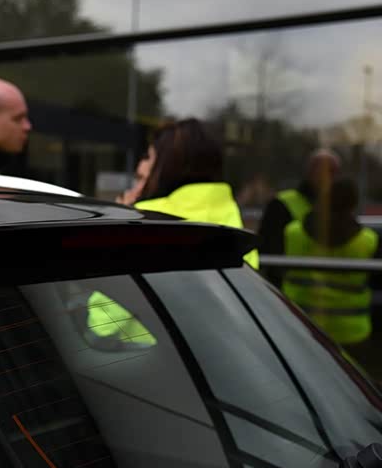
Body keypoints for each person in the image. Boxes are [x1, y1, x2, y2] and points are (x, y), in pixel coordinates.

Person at [133, 118, 259, 269]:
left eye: (148, 156)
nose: (140, 165)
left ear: (168, 165)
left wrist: (123, 213)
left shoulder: (143, 217)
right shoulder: (235, 223)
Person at [282, 177, 382, 353]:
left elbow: (274, 272)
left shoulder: (293, 232)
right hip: (351, 333)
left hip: (299, 324)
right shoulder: (369, 241)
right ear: (353, 204)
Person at [257, 149, 341, 286]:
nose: (327, 177)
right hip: (291, 289)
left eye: (333, 172)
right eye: (323, 171)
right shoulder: (281, 204)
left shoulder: (339, 207)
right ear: (310, 172)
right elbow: (269, 251)